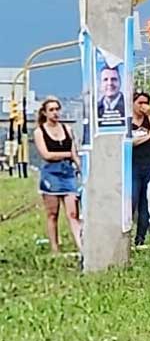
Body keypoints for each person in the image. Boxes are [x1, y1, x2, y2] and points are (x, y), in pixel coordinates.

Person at [33, 97, 81, 254]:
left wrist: (80, 167)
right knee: (53, 213)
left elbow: (75, 153)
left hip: (68, 173)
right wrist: (67, 153)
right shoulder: (40, 132)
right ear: (45, 113)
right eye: (51, 110)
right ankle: (55, 247)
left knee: (73, 213)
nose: (55, 113)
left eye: (57, 109)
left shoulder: (67, 129)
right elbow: (46, 154)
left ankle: (81, 246)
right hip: (51, 175)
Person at [130, 92, 150, 246]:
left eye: (146, 103)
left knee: (146, 201)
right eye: (139, 103)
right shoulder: (127, 122)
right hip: (134, 164)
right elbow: (131, 142)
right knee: (133, 199)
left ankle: (140, 237)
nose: (143, 106)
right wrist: (148, 136)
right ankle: (126, 234)